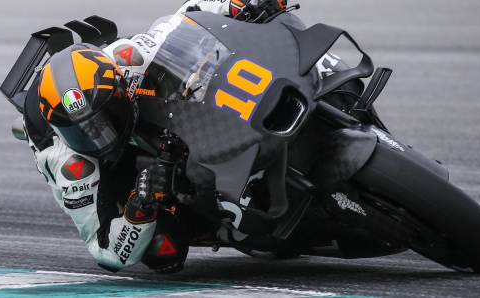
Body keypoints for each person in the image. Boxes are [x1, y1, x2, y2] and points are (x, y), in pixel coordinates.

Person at [23, 0, 287, 274]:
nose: (101, 136)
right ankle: (210, 223)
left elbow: (186, 17)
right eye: (82, 133)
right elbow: (105, 250)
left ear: (120, 90)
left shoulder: (128, 58)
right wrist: (140, 205)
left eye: (107, 118)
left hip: (128, 97)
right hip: (110, 167)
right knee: (163, 250)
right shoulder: (66, 162)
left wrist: (234, 6)